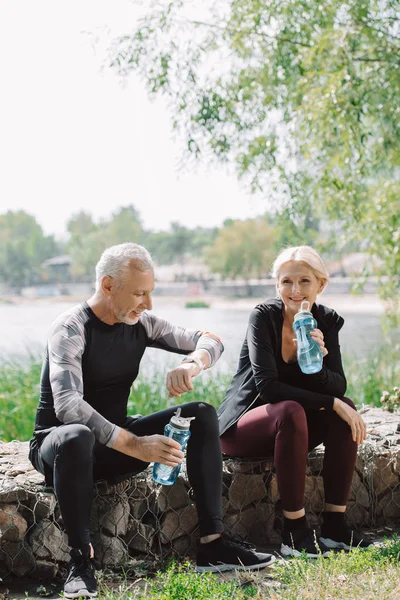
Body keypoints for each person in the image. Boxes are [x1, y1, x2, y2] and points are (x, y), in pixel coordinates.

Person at [28, 243, 274, 600]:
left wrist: (192, 364)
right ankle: (80, 563)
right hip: (60, 449)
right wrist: (136, 444)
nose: (148, 303)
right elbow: (68, 406)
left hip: (112, 447)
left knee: (202, 413)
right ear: (108, 285)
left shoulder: (143, 323)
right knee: (77, 435)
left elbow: (211, 340)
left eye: (150, 292)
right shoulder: (70, 328)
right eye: (140, 293)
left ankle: (213, 544)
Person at [217, 245, 370, 558]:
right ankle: (293, 532)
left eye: (304, 281)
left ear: (320, 285)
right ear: (277, 285)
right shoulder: (263, 317)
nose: (295, 290)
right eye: (286, 281)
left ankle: (334, 527)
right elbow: (269, 388)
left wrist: (320, 364)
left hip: (291, 433)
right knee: (293, 409)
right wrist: (331, 401)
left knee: (346, 410)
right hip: (242, 428)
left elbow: (338, 386)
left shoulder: (325, 320)